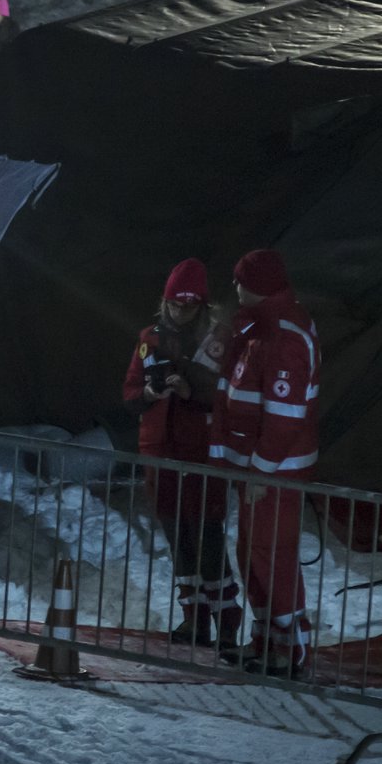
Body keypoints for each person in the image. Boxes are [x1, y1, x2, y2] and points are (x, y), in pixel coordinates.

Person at [209, 249, 319, 677]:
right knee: (254, 553)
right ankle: (267, 644)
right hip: (256, 468)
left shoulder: (286, 336)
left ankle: (294, 653)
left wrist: (261, 469)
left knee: (272, 556)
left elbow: (284, 416)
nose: (234, 288)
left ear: (254, 285)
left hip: (275, 471)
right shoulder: (259, 327)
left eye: (239, 281)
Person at [122, 258, 240, 647]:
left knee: (207, 535)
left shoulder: (219, 341)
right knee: (178, 538)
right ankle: (194, 619)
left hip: (203, 454)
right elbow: (130, 393)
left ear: (202, 305)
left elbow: (231, 396)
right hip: (161, 451)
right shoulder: (149, 338)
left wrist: (195, 395)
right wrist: (150, 395)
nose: (179, 312)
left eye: (188, 306)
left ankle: (226, 619)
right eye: (174, 304)